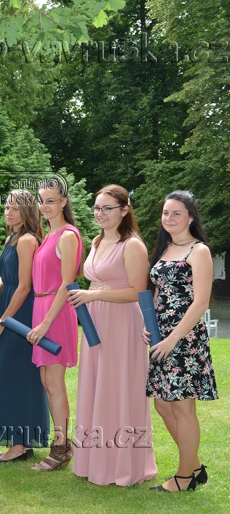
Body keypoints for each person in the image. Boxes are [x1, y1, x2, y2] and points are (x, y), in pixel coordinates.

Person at [67, 185, 158, 486]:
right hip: (95, 322)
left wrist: (93, 296)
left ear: (124, 210)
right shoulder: (96, 240)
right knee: (96, 386)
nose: (100, 213)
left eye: (107, 208)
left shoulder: (132, 245)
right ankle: (95, 461)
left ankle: (123, 466)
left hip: (122, 323)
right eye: (97, 207)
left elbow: (138, 292)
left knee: (118, 388)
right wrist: (89, 298)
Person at [145, 191, 218, 492]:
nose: (170, 218)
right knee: (163, 404)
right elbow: (156, 294)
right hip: (161, 336)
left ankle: (184, 477)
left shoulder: (199, 251)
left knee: (182, 408)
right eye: (166, 213)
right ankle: (196, 466)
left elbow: (200, 302)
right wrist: (148, 327)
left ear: (190, 217)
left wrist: (172, 339)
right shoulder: (164, 249)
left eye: (176, 213)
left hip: (184, 339)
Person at [0, 191, 49, 462]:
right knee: (7, 376)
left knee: (16, 376)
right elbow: (9, 276)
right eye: (6, 208)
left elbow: (24, 286)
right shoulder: (12, 237)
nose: (8, 213)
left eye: (14, 209)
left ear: (27, 212)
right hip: (11, 304)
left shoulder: (26, 240)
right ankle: (18, 440)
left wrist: (3, 322)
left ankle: (20, 444)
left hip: (21, 313)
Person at [27, 179, 84, 472]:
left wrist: (45, 323)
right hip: (42, 308)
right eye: (42, 200)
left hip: (56, 313)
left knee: (55, 382)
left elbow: (67, 283)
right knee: (46, 381)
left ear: (63, 202)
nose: (45, 206)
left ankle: (61, 448)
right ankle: (61, 443)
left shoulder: (67, 235)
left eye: (51, 201)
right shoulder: (48, 234)